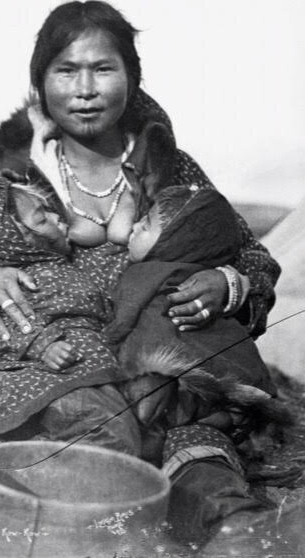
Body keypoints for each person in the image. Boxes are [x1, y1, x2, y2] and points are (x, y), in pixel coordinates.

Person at [0, 0, 282, 550]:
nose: (84, 88)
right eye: (66, 70)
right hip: (46, 368)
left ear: (132, 78)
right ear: (40, 82)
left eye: (103, 68)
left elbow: (251, 255)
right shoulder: (15, 178)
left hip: (153, 366)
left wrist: (226, 284)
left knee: (204, 472)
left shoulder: (168, 167)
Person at [0, 170, 141, 455]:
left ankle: (7, 466)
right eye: (42, 219)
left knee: (110, 432)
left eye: (52, 212)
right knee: (109, 435)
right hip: (45, 372)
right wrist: (41, 344)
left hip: (77, 370)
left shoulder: (65, 265)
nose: (58, 219)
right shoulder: (10, 281)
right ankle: (10, 472)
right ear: (13, 239)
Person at [105, 185, 292, 466]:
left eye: (145, 226)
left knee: (155, 411)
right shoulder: (187, 267)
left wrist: (110, 337)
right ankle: (228, 416)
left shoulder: (144, 275)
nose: (134, 227)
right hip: (235, 376)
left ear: (170, 242)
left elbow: (124, 319)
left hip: (170, 373)